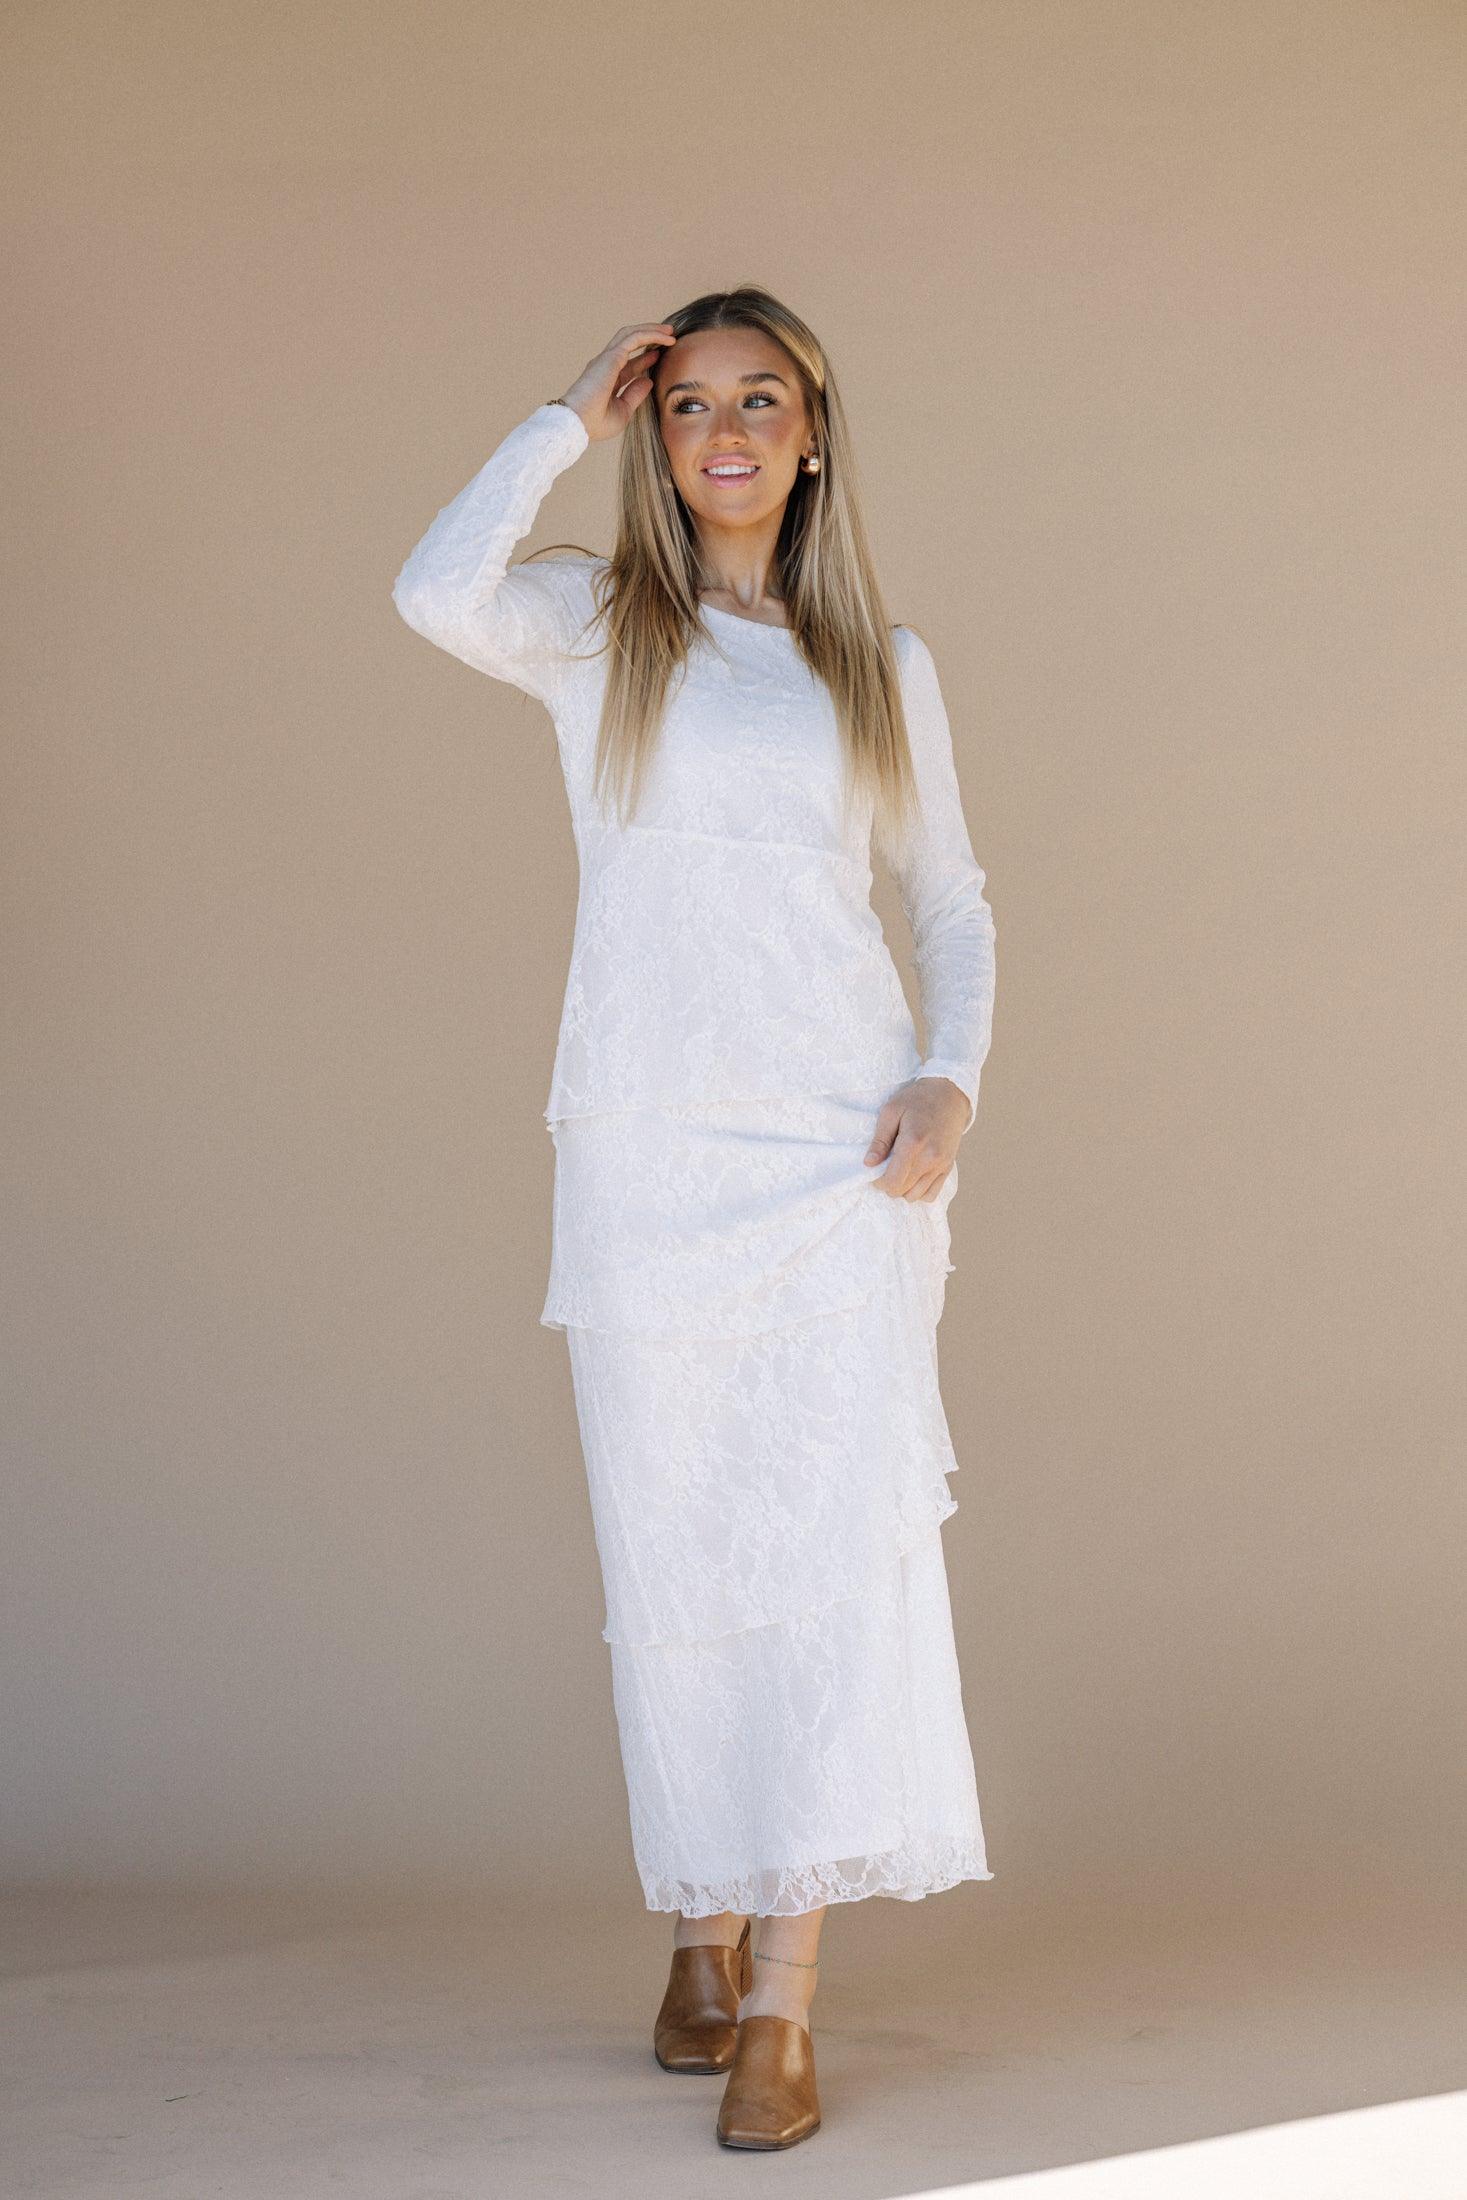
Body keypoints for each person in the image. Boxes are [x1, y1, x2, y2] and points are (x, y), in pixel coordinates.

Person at [392, 285, 997, 2152]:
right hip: (651, 1164)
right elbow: (429, 591)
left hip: (836, 1166)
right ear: (660, 436)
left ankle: (781, 2006)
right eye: (688, 406)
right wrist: (566, 411)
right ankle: (698, 1918)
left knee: (818, 1562)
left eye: (762, 401)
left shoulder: (877, 668)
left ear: (814, 433)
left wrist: (951, 1077)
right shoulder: (599, 629)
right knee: (684, 1563)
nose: (723, 432)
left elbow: (953, 908)